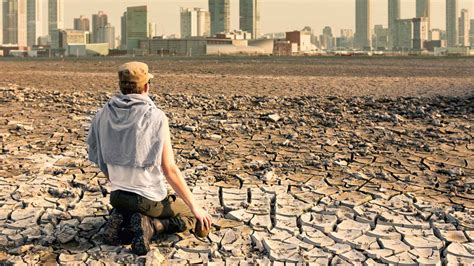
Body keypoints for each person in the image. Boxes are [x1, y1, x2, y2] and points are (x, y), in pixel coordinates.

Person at [87, 62, 212, 255]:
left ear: (121, 85)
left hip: (118, 196)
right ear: (146, 86)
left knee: (133, 209)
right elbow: (169, 169)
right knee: (190, 217)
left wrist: (117, 179)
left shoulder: (103, 114)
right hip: (147, 199)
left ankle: (123, 219)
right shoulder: (155, 117)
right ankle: (153, 226)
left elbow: (99, 156)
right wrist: (195, 208)